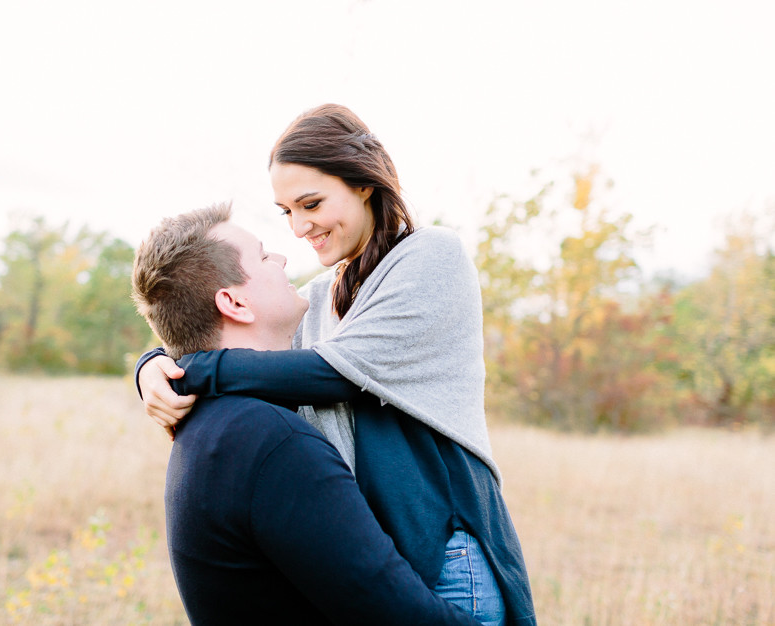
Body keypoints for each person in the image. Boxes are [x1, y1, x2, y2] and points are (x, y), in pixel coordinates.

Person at [137, 105, 536, 626]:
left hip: (445, 554)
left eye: (311, 203)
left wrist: (193, 371)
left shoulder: (430, 258)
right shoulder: (319, 299)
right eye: (286, 211)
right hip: (386, 560)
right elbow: (237, 335)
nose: (300, 227)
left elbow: (335, 375)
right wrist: (153, 367)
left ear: (364, 184)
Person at [130, 202, 479, 625]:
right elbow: (397, 613)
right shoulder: (271, 441)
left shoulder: (214, 423)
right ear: (234, 302)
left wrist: (161, 365)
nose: (281, 256)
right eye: (262, 256)